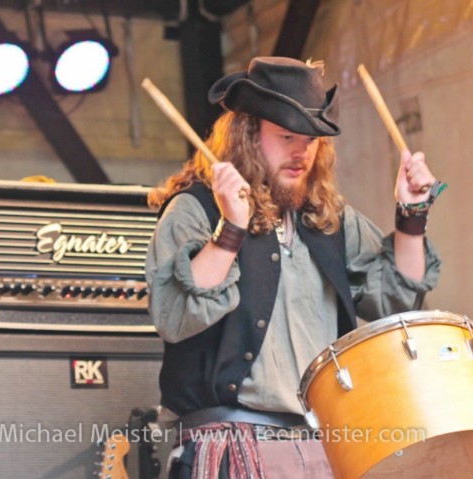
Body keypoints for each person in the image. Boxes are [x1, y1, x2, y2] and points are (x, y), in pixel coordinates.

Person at [145, 56, 442, 479]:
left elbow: (397, 300)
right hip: (232, 446)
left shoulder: (327, 218)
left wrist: (412, 217)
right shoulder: (194, 209)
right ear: (249, 134)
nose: (300, 151)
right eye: (285, 136)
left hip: (323, 446)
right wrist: (231, 228)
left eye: (311, 139)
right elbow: (175, 316)